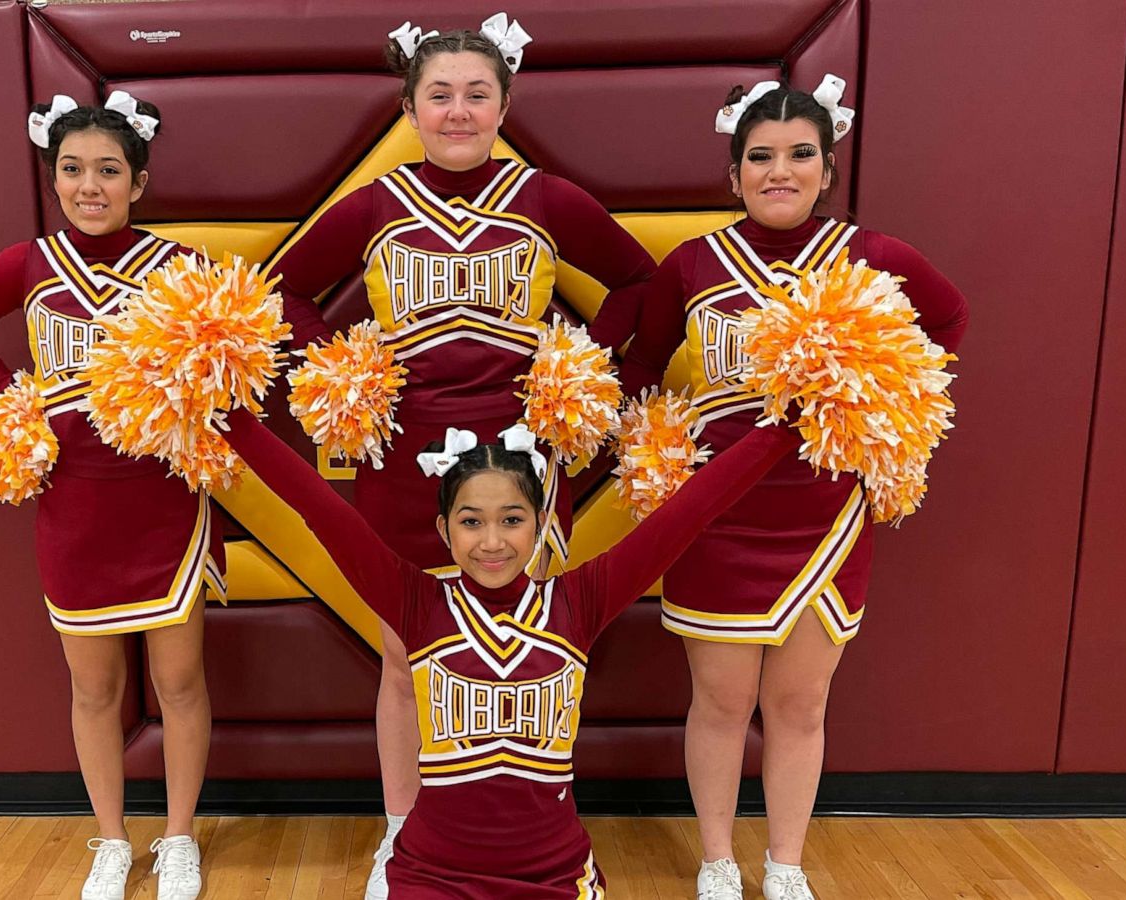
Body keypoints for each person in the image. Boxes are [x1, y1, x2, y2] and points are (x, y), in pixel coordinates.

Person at [266, 17, 655, 893]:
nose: (458, 110)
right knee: (408, 656)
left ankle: (520, 828)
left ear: (505, 103)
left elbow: (637, 281)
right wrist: (343, 369)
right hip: (401, 457)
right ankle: (406, 829)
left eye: (477, 93)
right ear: (409, 106)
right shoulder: (374, 206)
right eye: (438, 94)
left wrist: (588, 367)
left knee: (523, 642)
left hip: (520, 458)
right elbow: (282, 287)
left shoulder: (548, 198)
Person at [217, 399, 798, 897]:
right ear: (444, 530)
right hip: (429, 876)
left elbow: (689, 511)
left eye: (512, 520)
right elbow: (317, 506)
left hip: (553, 876)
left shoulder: (581, 600)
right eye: (471, 522)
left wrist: (790, 422)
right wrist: (230, 418)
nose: (491, 542)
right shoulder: (416, 602)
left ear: (541, 523)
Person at [621, 76, 971, 900]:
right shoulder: (694, 263)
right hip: (716, 514)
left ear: (828, 164)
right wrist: (656, 445)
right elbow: (641, 362)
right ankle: (716, 861)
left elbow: (949, 319)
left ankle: (784, 866)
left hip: (825, 513)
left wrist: (895, 400)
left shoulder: (870, 255)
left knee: (802, 704)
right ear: (734, 170)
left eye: (800, 154)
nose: (781, 171)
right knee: (720, 699)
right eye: (761, 156)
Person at [0, 93, 219, 900]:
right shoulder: (27, 265)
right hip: (73, 505)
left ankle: (177, 839)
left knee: (181, 683)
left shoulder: (179, 269)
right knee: (93, 688)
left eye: (108, 171)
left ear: (138, 181)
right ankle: (109, 841)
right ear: (52, 179)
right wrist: (18, 399)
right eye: (72, 170)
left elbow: (227, 371)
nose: (89, 186)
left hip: (164, 501)